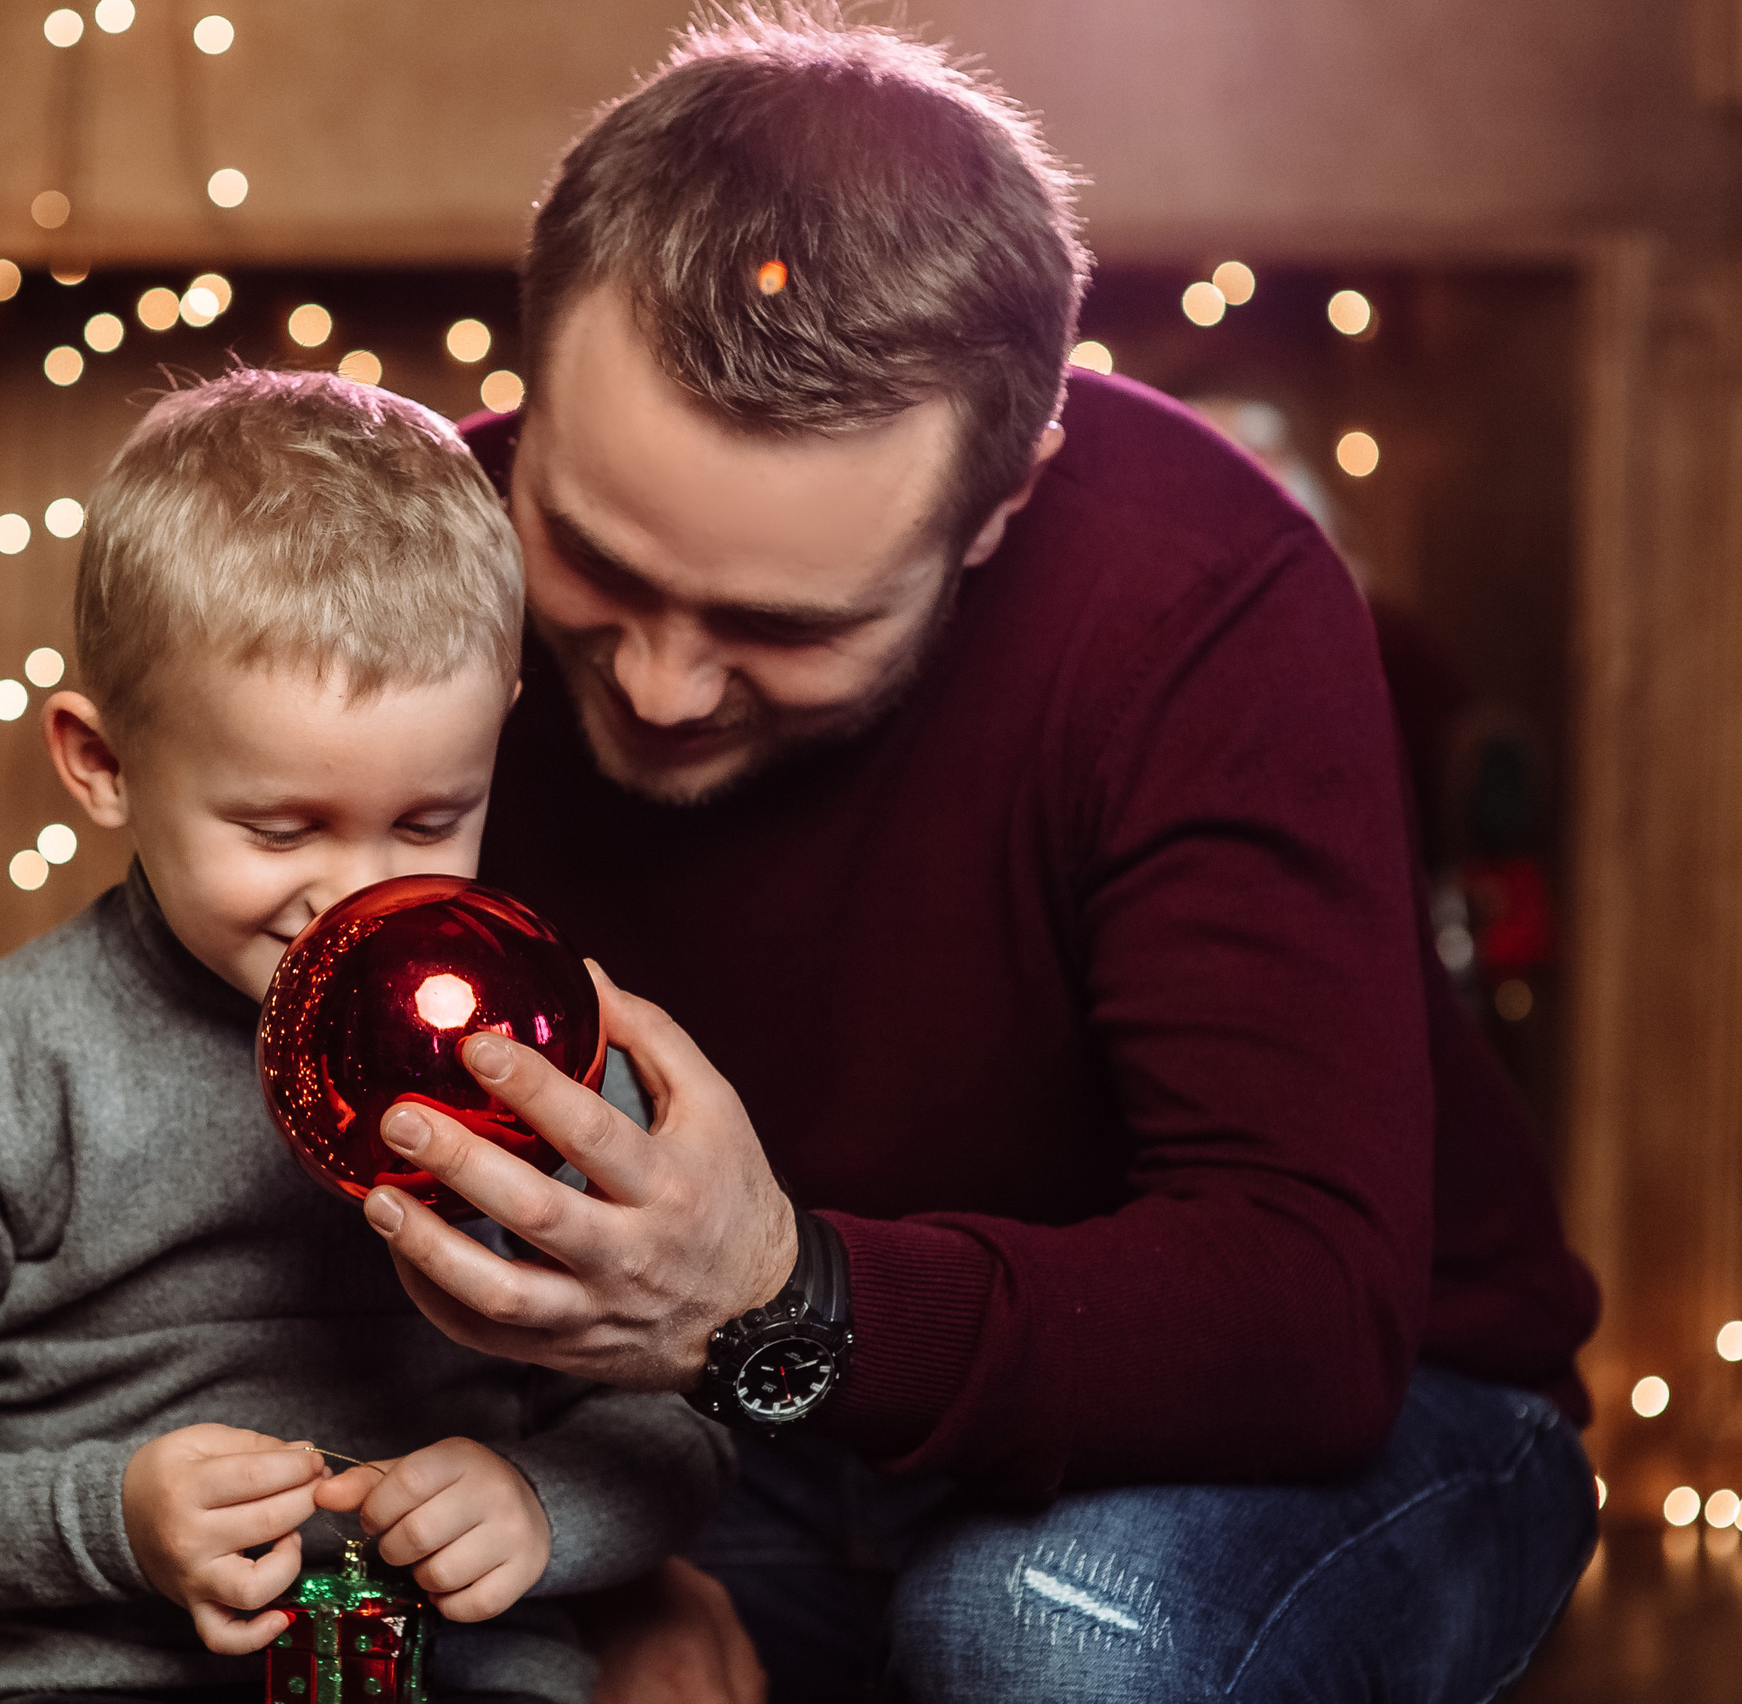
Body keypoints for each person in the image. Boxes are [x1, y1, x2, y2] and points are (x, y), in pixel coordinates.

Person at [351, 14, 1602, 1702]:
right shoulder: (419, 552)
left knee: (1037, 1633)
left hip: (1368, 1426)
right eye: (591, 554)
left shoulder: (1197, 601)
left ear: (1005, 500)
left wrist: (776, 1300)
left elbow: (1309, 1313)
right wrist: (602, 1544)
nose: (653, 687)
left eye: (780, 626)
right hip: (720, 1431)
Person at [0, 370, 730, 1704]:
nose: (355, 893)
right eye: (279, 830)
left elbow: (679, 1418)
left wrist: (539, 1507)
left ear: (499, 734)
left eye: (428, 820)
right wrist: (111, 1519)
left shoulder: (546, 1053)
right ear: (101, 763)